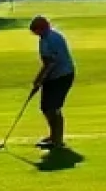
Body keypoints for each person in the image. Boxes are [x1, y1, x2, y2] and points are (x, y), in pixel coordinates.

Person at [29, 15, 75, 150]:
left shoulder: (48, 39)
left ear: (41, 28)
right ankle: (54, 136)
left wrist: (38, 80)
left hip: (61, 76)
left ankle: (57, 140)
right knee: (47, 108)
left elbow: (49, 64)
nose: (34, 33)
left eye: (35, 30)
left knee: (53, 108)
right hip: (58, 75)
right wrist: (41, 80)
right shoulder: (53, 35)